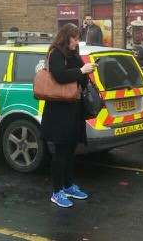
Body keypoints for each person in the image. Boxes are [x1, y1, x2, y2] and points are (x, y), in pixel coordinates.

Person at [40, 23, 96, 209]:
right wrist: (81, 71)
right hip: (59, 110)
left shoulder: (73, 54)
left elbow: (82, 78)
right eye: (75, 38)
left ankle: (69, 185)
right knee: (60, 153)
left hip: (74, 108)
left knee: (71, 151)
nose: (77, 41)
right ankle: (57, 192)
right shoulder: (56, 53)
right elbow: (59, 76)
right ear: (66, 38)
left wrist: (87, 70)